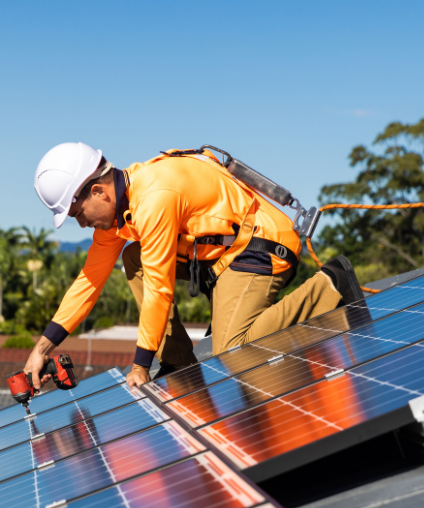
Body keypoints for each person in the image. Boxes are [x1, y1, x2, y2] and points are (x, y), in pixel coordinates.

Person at [25, 142, 361, 390]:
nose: (81, 224)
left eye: (78, 214)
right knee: (133, 257)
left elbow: (159, 286)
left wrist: (141, 365)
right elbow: (89, 281)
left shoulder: (154, 196)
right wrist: (42, 349)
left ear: (99, 192)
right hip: (222, 259)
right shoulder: (119, 215)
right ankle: (178, 363)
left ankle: (330, 284)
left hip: (261, 246)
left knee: (233, 349)